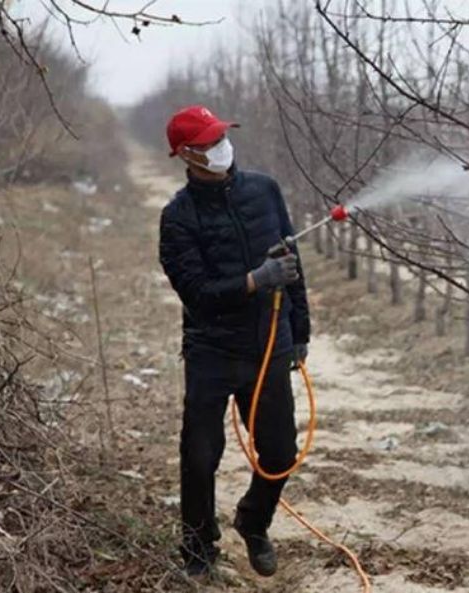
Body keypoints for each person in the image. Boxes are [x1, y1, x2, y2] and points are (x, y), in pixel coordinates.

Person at [158, 105, 310, 578]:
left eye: (221, 136)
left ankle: (253, 520)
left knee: (281, 452)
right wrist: (254, 279)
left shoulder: (264, 191)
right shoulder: (177, 218)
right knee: (200, 458)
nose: (221, 146)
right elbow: (199, 296)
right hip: (212, 351)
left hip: (269, 344)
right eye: (208, 142)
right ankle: (199, 551)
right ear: (187, 155)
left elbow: (293, 262)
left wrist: (300, 332)